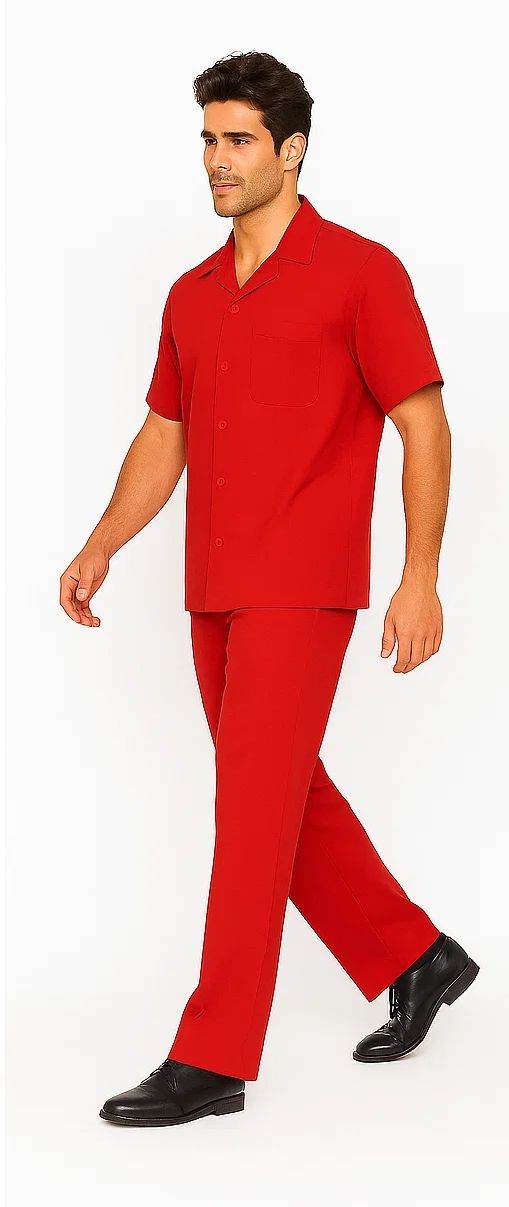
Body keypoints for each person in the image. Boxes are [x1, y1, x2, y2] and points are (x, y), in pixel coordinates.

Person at [60, 50, 479, 1129]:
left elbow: (423, 424)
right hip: (211, 586)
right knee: (280, 793)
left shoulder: (361, 272)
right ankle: (415, 955)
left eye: (239, 139)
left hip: (302, 584)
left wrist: (419, 575)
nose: (218, 158)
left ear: (291, 150)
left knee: (250, 812)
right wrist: (102, 542)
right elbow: (164, 435)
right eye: (208, 138)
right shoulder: (191, 294)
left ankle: (213, 1056)